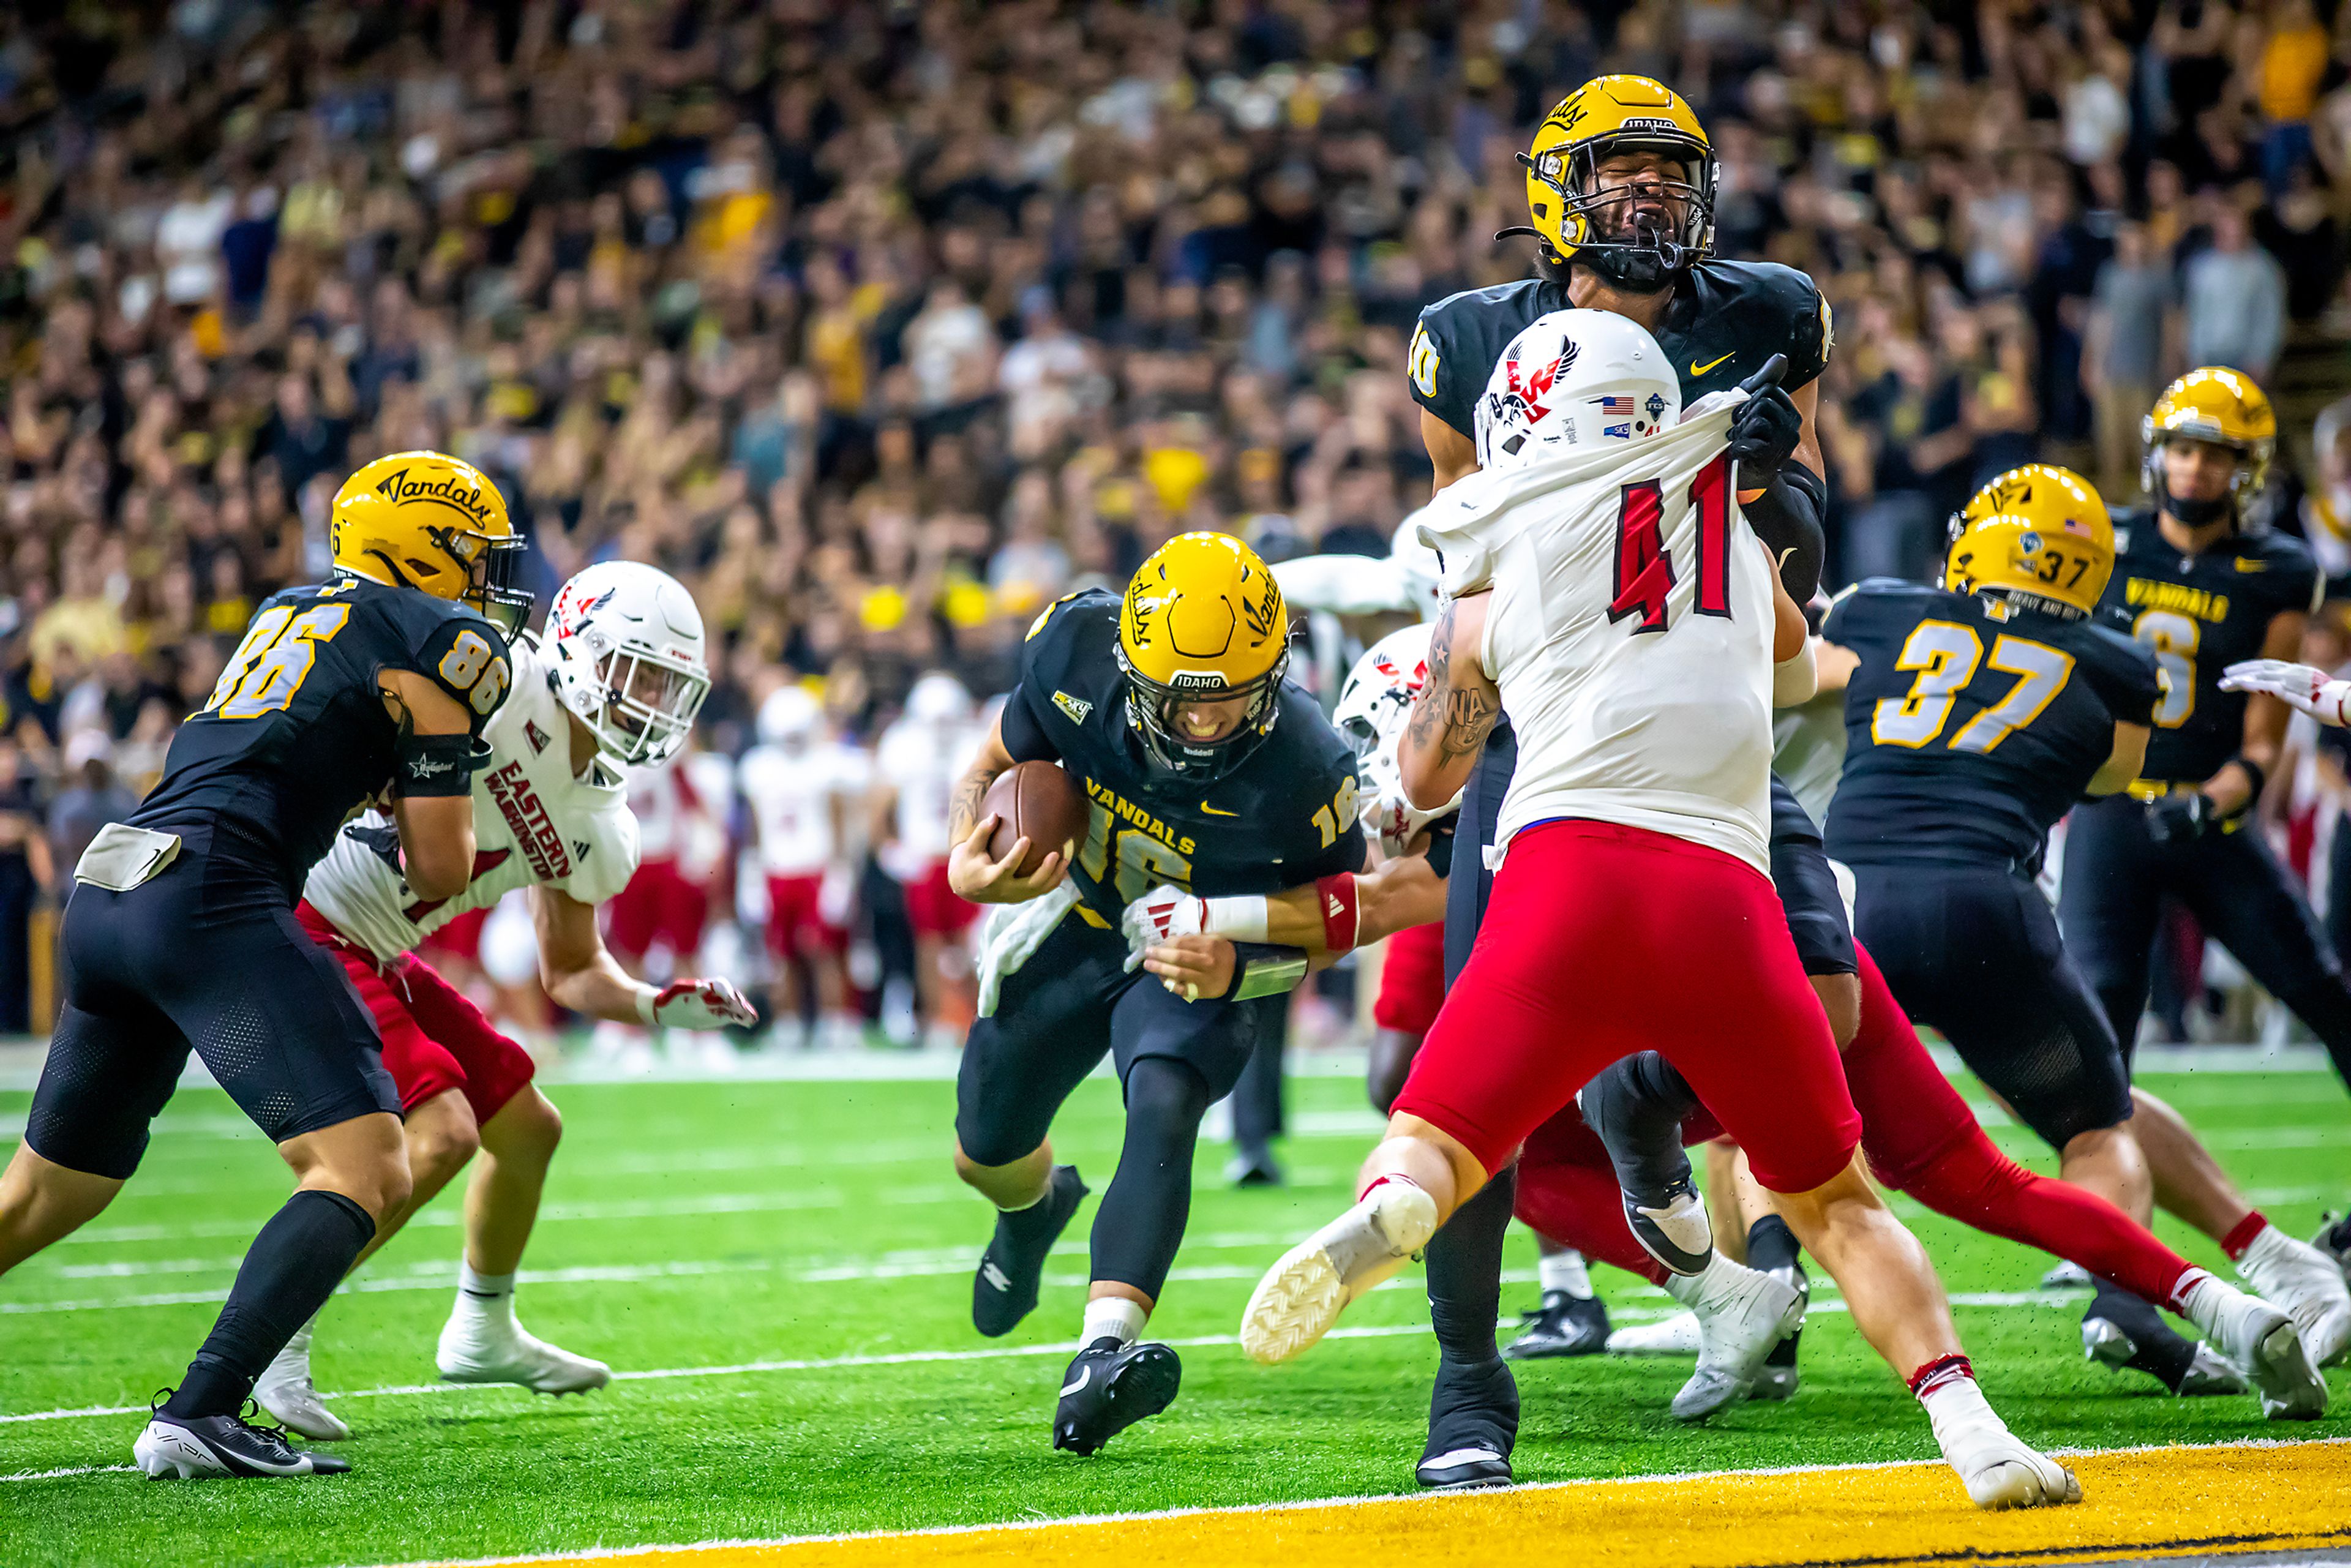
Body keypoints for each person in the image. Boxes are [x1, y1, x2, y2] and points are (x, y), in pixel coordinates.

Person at [1239, 307, 2078, 1512]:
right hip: (1724, 897)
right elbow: (1793, 667)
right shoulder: (1736, 534)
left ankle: (1393, 1203)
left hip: (1562, 880)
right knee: (1837, 1201)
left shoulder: (1495, 551)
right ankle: (1972, 1423)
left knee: (1439, 1136)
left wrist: (1412, 750)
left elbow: (1425, 778)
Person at [1351, 74, 1842, 1488]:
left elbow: (1786, 559)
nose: (1646, 200)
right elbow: (1471, 564)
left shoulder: (1765, 317)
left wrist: (1777, 485)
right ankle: (1468, 1378)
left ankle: (1720, 1235)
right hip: (1542, 725)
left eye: (1666, 176)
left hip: (1700, 711)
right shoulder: (1462, 344)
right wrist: (1445, 745)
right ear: (1554, 194)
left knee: (1825, 1001)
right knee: (1466, 1053)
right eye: (1618, 175)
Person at [0, 449, 525, 1479]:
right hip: (212, 893)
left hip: (114, 888)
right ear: (418, 544)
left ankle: (206, 1409)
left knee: (45, 1192)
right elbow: (438, 862)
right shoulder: (440, 639)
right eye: (470, 554)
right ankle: (202, 1409)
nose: (482, 579)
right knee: (366, 1167)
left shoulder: (294, 603)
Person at [1810, 465, 2325, 1414]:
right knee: (2095, 1122)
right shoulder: (2122, 660)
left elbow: (1797, 682)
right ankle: (2126, 1302)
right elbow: (2107, 775)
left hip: (1853, 912)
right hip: (1989, 914)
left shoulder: (1878, 608)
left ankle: (1758, 1294)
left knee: (1776, 1122)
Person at [253, 561, 756, 1441]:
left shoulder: (604, 823)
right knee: (440, 1131)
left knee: (528, 1126)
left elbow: (569, 968)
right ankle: (275, 1332)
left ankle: (482, 1327)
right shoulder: (495, 684)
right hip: (310, 919)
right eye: (636, 673)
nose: (650, 703)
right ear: (573, 644)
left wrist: (649, 1007)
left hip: (375, 942)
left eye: (668, 687)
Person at [945, 531, 1363, 1457]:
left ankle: (1102, 1355)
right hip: (1085, 916)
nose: (1205, 727)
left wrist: (1241, 965)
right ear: (1130, 671)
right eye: (1180, 703)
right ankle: (1034, 1210)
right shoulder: (1070, 657)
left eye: (1230, 703)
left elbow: (1343, 916)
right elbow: (987, 767)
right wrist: (966, 855)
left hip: (1199, 949)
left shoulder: (1309, 765)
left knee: (1167, 1095)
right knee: (984, 1147)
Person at [2060, 369, 2351, 1368]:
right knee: (2098, 1043)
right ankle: (2111, 1259)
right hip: (2108, 816)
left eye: (2214, 453)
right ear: (2158, 452)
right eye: (2183, 448)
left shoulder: (2274, 568)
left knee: (2324, 989)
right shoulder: (2108, 543)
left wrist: (2220, 795)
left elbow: (2264, 734)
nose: (2193, 467)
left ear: (2245, 468)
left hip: (2208, 816)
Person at [738, 683, 868, 1050]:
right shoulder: (759, 769)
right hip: (777, 870)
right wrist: (751, 873)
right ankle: (789, 1024)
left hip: (816, 867)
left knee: (823, 952)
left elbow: (839, 821)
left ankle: (835, 1020)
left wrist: (840, 874)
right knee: (780, 955)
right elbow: (755, 827)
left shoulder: (826, 766)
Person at [874, 672, 984, 1048]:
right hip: (924, 856)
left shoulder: (974, 743)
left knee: (972, 943)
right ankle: (939, 1019)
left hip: (964, 854)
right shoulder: (904, 747)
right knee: (930, 943)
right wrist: (890, 846)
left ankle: (979, 1018)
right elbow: (882, 804)